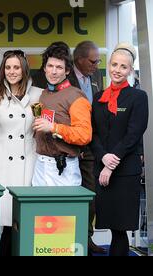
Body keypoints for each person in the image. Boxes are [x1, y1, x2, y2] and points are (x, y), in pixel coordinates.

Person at [90, 43, 148, 256]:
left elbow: (133, 134)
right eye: (114, 64)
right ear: (109, 65)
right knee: (111, 225)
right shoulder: (98, 99)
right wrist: (103, 157)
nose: (117, 69)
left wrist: (111, 163)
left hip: (124, 172)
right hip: (103, 170)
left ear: (130, 70)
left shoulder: (138, 97)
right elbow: (93, 134)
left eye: (123, 67)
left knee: (120, 230)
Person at [0, 49, 42, 256]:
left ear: (24, 69)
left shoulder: (38, 94)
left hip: (29, 159)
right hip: (3, 163)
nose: (12, 71)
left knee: (25, 216)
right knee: (6, 220)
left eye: (16, 67)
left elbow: (42, 128)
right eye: (7, 67)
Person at [32, 43, 92, 187]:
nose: (53, 71)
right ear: (44, 68)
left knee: (64, 210)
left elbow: (85, 135)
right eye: (50, 66)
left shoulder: (76, 96)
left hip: (64, 168)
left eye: (59, 67)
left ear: (67, 71)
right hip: (40, 165)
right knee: (36, 210)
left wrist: (54, 127)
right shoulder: (44, 94)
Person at [68, 41, 106, 254]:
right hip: (69, 146)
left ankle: (86, 238)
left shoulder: (96, 77)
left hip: (91, 146)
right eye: (93, 61)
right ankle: (67, 238)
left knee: (90, 195)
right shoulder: (65, 77)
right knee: (69, 196)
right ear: (79, 59)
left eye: (98, 61)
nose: (96, 65)